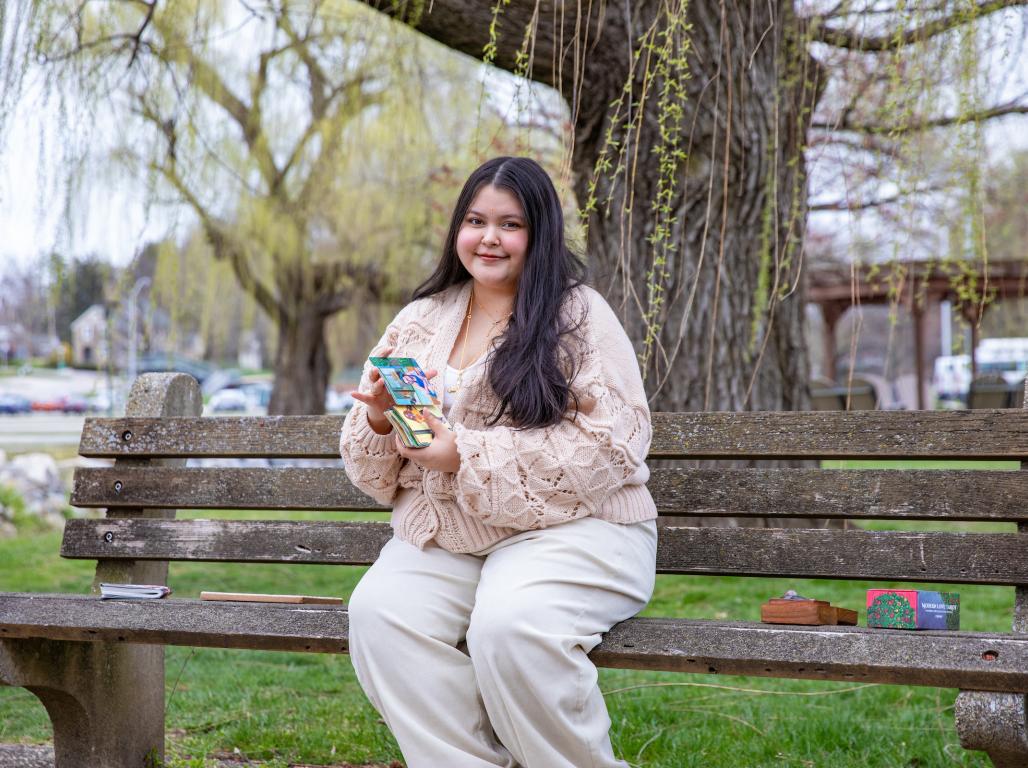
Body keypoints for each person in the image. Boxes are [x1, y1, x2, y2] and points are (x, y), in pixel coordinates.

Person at [339, 156, 658, 768]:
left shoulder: (580, 315)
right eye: (475, 220)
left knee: (510, 627)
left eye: (509, 224)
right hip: (452, 532)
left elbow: (611, 445)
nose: (488, 238)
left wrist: (460, 451)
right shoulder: (420, 317)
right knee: (381, 615)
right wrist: (383, 418)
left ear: (539, 234)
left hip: (579, 528)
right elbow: (372, 467)